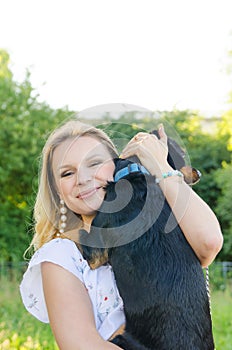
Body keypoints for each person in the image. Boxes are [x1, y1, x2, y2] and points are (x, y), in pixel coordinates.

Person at [20, 119, 223, 350]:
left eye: (95, 163)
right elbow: (82, 346)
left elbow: (210, 242)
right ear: (57, 190)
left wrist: (162, 167)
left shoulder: (154, 222)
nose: (83, 178)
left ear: (116, 165)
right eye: (67, 173)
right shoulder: (62, 255)